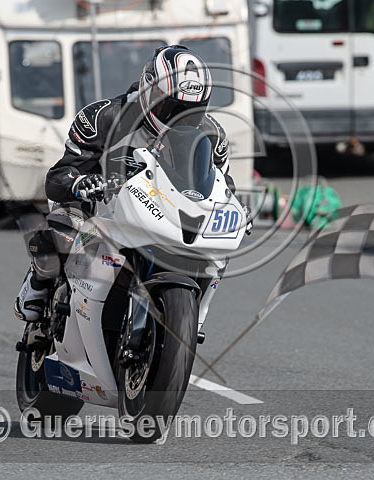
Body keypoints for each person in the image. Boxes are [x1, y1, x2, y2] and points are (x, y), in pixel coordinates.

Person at [15, 45, 233, 322]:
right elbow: (58, 177)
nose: (179, 118)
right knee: (64, 232)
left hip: (163, 213)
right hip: (98, 210)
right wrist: (82, 182)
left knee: (218, 248)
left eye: (191, 110)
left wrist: (234, 208)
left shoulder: (212, 135)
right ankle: (39, 284)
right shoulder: (103, 118)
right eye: (172, 107)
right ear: (149, 90)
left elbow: (223, 186)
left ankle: (196, 316)